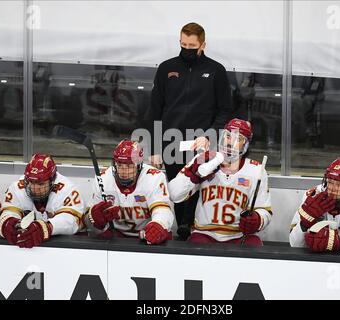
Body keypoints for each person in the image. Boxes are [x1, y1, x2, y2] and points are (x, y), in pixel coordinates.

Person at [146, 22, 233, 239]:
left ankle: (192, 228)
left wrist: (209, 135)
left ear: (203, 44)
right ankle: (181, 230)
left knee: (198, 186)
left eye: (192, 46)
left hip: (203, 143)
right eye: (183, 44)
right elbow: (154, 110)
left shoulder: (216, 70)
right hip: (170, 141)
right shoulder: (166, 68)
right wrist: (155, 147)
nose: (187, 49)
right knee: (176, 187)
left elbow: (225, 111)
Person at [168, 118, 272, 246]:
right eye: (228, 136)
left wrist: (258, 220)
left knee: (255, 245)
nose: (230, 142)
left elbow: (265, 210)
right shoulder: (204, 160)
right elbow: (174, 194)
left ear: (245, 145)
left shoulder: (257, 170)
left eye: (238, 139)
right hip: (204, 233)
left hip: (239, 235)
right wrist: (194, 174)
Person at [84, 140, 174, 245]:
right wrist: (95, 220)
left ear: (139, 165)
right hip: (117, 235)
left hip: (146, 233)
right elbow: (88, 224)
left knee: (160, 234)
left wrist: (159, 223)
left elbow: (162, 209)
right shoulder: (103, 179)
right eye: (120, 165)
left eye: (129, 166)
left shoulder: (154, 177)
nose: (123, 171)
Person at [0, 153, 85, 248]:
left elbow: (71, 222)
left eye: (40, 183)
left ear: (52, 180)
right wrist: (9, 222)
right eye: (31, 182)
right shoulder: (17, 187)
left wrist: (47, 227)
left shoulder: (68, 190)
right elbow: (8, 213)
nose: (34, 188)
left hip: (63, 248)